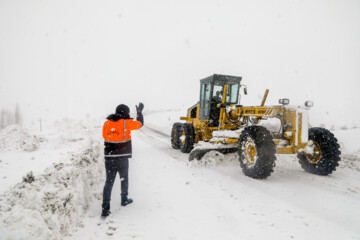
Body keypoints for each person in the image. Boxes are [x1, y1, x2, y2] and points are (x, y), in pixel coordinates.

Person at [101, 102, 144, 217]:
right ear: (125, 112)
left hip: (109, 158)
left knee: (109, 182)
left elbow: (105, 136)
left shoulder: (106, 123)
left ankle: (105, 208)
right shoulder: (126, 123)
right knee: (124, 179)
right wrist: (139, 112)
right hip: (122, 158)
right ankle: (124, 199)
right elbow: (140, 124)